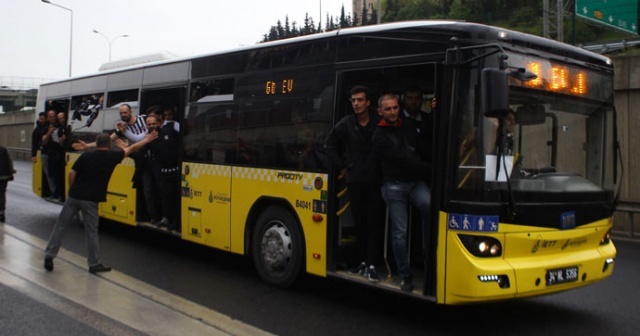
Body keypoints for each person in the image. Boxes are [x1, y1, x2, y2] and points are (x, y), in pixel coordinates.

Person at [44, 131, 156, 273]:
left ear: (96, 144)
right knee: (91, 232)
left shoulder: (86, 156)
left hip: (74, 196)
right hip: (91, 200)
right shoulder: (113, 156)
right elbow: (132, 148)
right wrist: (147, 139)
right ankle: (94, 263)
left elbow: (72, 173)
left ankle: (49, 255)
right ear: (109, 144)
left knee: (60, 226)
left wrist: (72, 189)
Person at [324, 85, 384, 282]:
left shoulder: (378, 120)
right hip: (355, 181)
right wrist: (343, 166)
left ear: (368, 102)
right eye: (353, 100)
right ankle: (362, 262)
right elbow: (329, 145)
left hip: (376, 180)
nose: (356, 104)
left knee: (374, 222)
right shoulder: (346, 123)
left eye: (360, 100)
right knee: (360, 223)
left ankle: (372, 263)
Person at [373, 93, 431, 292]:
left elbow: (419, 147)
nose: (392, 112)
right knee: (400, 232)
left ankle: (427, 257)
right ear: (380, 112)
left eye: (395, 108)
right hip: (394, 185)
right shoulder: (379, 135)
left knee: (429, 205)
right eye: (388, 109)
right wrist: (427, 169)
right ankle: (405, 274)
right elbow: (401, 159)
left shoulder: (406, 125)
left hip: (414, 181)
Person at [139, 114, 181, 230]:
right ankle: (168, 219)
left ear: (158, 123)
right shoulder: (148, 139)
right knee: (165, 197)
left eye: (154, 124)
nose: (152, 126)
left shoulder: (170, 130)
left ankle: (175, 222)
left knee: (176, 198)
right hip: (162, 173)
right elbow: (140, 153)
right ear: (146, 126)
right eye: (149, 124)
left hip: (177, 171)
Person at [41, 110, 64, 201]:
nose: (52, 118)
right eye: (50, 117)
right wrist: (49, 132)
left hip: (60, 154)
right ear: (47, 118)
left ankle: (60, 193)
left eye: (54, 116)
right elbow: (44, 142)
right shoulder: (45, 127)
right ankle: (54, 192)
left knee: (59, 175)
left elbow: (62, 141)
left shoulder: (60, 127)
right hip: (50, 154)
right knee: (52, 175)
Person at [0, 145, 16, 223]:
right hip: (4, 175)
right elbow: (10, 162)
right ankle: (1, 211)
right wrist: (11, 172)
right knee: (2, 193)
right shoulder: (4, 149)